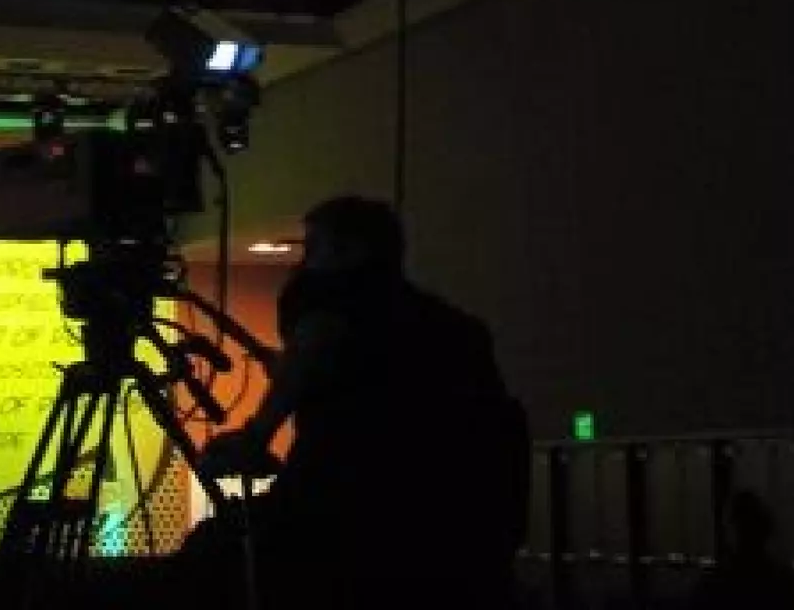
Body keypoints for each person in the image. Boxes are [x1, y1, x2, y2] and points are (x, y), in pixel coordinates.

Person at [170, 196, 529, 608]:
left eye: (314, 248)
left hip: (347, 522)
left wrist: (255, 436)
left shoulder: (333, 299)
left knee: (211, 556)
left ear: (351, 251)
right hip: (454, 541)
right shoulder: (457, 329)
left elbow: (317, 343)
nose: (304, 262)